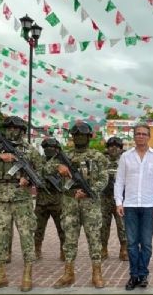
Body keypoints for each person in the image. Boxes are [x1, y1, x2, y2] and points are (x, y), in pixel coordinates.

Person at [0, 116, 40, 293]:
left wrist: (28, 180)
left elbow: (40, 173)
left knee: (26, 237)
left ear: (22, 131)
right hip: (1, 200)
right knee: (0, 237)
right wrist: (0, 157)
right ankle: (0, 276)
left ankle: (27, 274)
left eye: (16, 128)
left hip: (22, 200)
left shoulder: (29, 151)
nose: (12, 131)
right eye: (9, 128)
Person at [49, 122, 109, 289]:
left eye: (83, 135)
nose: (79, 138)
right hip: (69, 203)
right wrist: (58, 166)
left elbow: (104, 179)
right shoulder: (64, 155)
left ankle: (97, 273)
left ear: (89, 137)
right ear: (73, 137)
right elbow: (45, 169)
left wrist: (90, 191)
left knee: (94, 239)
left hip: (90, 203)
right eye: (76, 136)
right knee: (69, 240)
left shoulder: (97, 156)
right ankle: (68, 273)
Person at [114, 124, 153, 290]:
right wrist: (119, 202)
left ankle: (143, 274)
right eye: (138, 134)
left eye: (144, 134)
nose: (141, 136)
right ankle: (133, 275)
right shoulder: (125, 157)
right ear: (134, 136)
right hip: (129, 205)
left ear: (149, 137)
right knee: (131, 243)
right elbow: (120, 181)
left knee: (146, 243)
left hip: (148, 206)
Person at [34, 138, 65, 261]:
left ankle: (64, 250)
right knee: (37, 228)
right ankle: (37, 249)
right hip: (41, 200)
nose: (48, 149)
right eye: (46, 147)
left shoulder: (62, 161)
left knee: (62, 228)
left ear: (57, 149)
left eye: (51, 147)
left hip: (57, 200)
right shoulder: (39, 161)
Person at [102, 136, 128, 261]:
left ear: (121, 149)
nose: (113, 148)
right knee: (103, 225)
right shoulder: (101, 160)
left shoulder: (126, 160)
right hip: (104, 198)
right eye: (111, 146)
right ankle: (103, 248)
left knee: (122, 225)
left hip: (120, 200)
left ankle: (124, 249)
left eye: (117, 146)